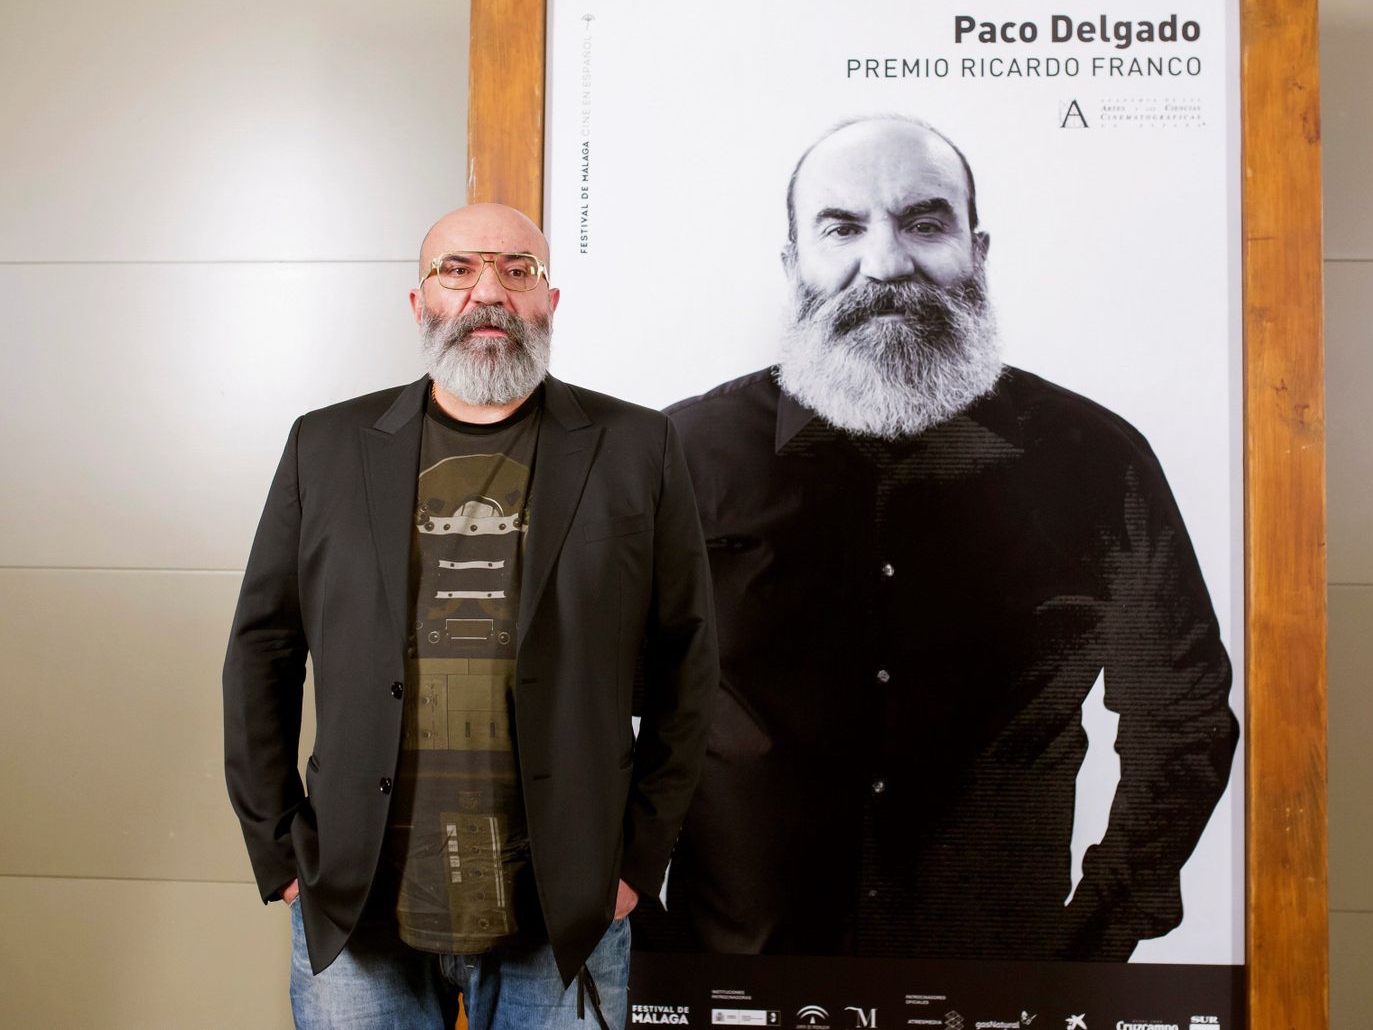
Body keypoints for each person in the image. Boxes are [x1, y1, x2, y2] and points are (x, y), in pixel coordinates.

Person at [646, 117, 1239, 961]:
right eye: (842, 228)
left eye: (924, 224)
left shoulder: (1097, 460)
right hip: (731, 976)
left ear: (977, 250)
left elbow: (1180, 716)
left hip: (1008, 989)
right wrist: (648, 941)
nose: (885, 264)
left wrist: (1100, 931)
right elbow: (594, 715)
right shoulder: (682, 457)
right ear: (793, 265)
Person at [223, 202, 718, 1028]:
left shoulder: (639, 448)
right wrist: (279, 852)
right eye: (458, 269)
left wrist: (637, 859)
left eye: (516, 271)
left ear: (549, 303)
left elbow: (688, 663)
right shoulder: (326, 446)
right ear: (419, 304)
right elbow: (261, 652)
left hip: (566, 908)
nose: (488, 292)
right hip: (358, 900)